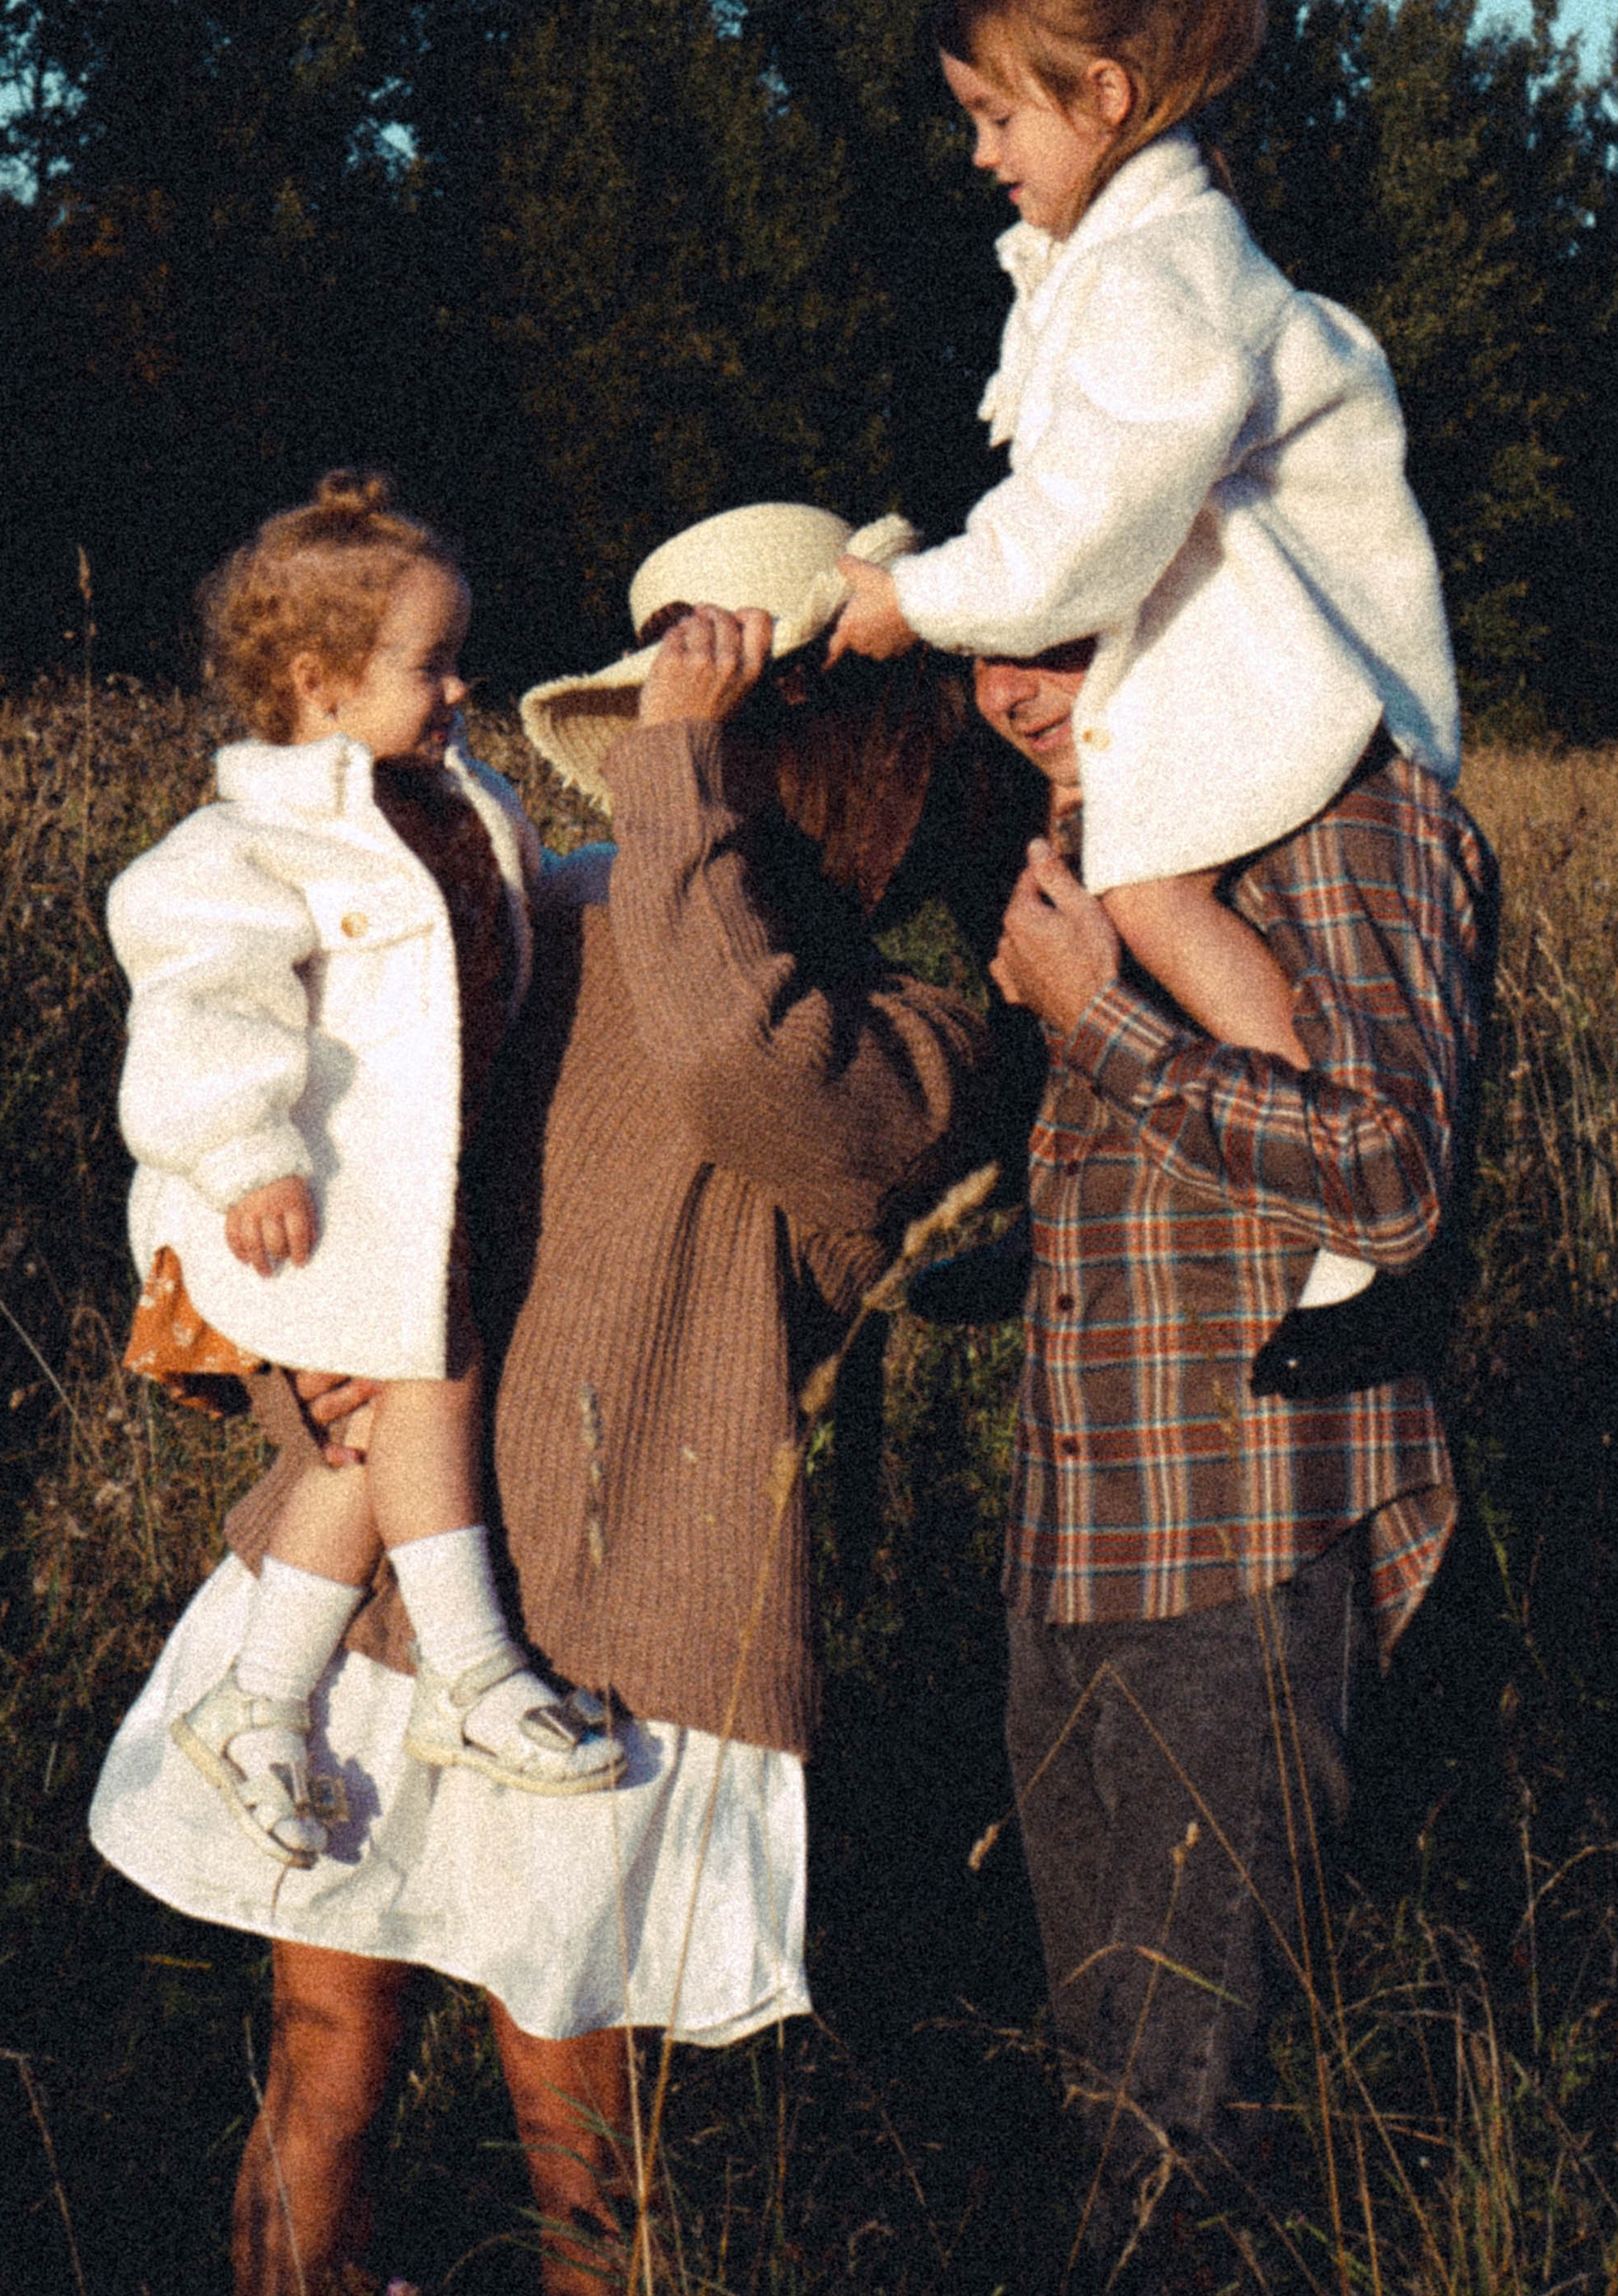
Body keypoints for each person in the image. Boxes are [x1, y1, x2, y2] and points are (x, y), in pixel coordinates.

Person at [90, 501, 999, 2296]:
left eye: (736, 743)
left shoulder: (913, 1038)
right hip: (377, 1597)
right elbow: (320, 1104)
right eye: (684, 743)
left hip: (605, 1636)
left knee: (569, 2106)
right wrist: (281, 1352)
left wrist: (671, 781)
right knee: (326, 2056)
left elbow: (744, 1064)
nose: (691, 775)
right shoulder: (540, 914)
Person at [827, 0, 1461, 1326]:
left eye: (998, 116)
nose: (982, 153)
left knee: (1145, 897)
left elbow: (1094, 519)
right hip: (1211, 658)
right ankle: (1072, 1211)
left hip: (1279, 672)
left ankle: (1357, 1243)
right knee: (1068, 875)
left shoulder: (1158, 274)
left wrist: (924, 601)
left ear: (1102, 96)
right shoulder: (1118, 264)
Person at [964, 636, 1496, 2283]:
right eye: (988, 650)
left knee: (1191, 2116)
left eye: (1059, 643)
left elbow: (1392, 1175)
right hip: (1078, 1535)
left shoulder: (1338, 814)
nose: (1010, 689)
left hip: (1244, 1533)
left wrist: (1101, 1020)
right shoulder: (1107, 835)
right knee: (1109, 2087)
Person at [105, 471, 621, 1881]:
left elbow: (512, 902)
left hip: (396, 1196)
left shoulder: (456, 798)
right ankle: (469, 1666)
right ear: (320, 684)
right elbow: (197, 1002)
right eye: (431, 663)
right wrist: (249, 1147)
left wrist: (615, 882)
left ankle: (260, 1696)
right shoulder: (248, 844)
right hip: (287, 1195)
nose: (461, 687)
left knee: (371, 1431)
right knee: (434, 1374)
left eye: (459, 658)